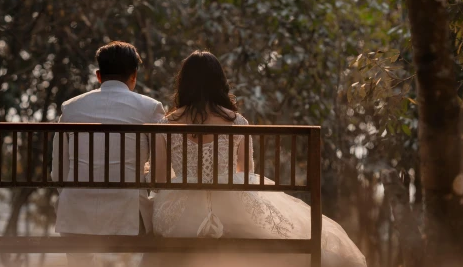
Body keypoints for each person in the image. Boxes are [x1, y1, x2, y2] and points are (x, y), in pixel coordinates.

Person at [150, 51, 367, 267]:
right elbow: (246, 174)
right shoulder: (237, 122)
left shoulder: (164, 125)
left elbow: (159, 181)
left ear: (184, 84)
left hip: (181, 218)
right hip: (232, 211)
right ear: (219, 83)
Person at [52, 41, 165, 267]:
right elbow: (161, 173)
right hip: (130, 218)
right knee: (159, 237)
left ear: (98, 75)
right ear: (134, 75)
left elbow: (58, 172)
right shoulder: (150, 108)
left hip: (75, 217)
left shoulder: (71, 108)